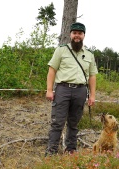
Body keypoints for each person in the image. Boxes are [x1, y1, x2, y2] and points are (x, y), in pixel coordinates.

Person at [45, 22, 98, 155]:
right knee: (57, 122)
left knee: (74, 123)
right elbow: (52, 70)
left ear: (84, 35)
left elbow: (92, 76)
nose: (77, 36)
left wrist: (92, 95)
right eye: (74, 33)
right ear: (70, 34)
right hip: (63, 89)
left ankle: (71, 150)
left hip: (80, 91)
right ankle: (51, 151)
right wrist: (49, 90)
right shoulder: (61, 50)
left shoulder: (90, 55)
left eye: (80, 33)